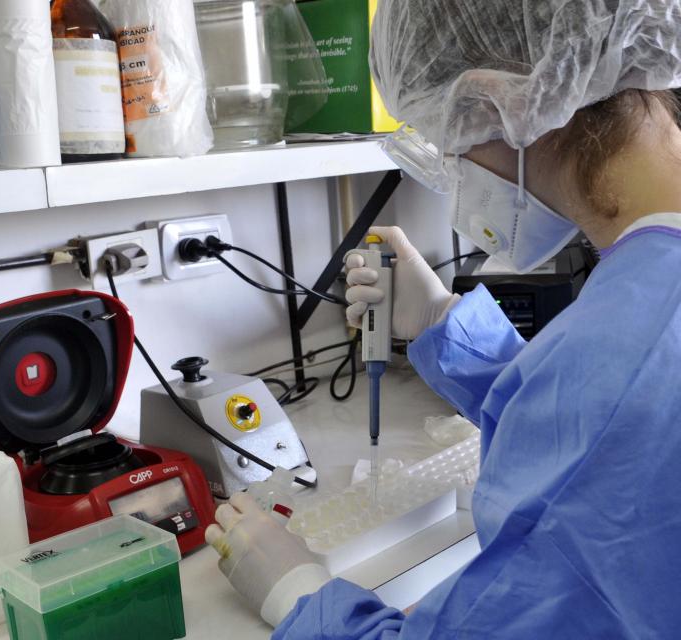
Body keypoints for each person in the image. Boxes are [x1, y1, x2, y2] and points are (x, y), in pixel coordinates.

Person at [205, 1, 681, 638]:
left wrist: (299, 595)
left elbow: (608, 416)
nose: (454, 173)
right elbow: (602, 416)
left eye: (446, 142)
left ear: (494, 102)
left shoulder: (623, 368)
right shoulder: (644, 305)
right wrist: (443, 322)